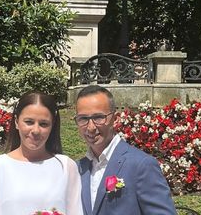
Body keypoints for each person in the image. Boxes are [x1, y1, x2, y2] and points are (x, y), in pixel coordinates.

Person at [0, 92, 83, 215]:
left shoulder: (67, 167)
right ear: (16, 122)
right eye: (29, 122)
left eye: (44, 124)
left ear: (52, 126)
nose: (36, 130)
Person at [74, 85, 176, 215]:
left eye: (98, 117)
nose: (91, 127)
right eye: (83, 119)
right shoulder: (78, 169)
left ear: (115, 119)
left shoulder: (141, 165)